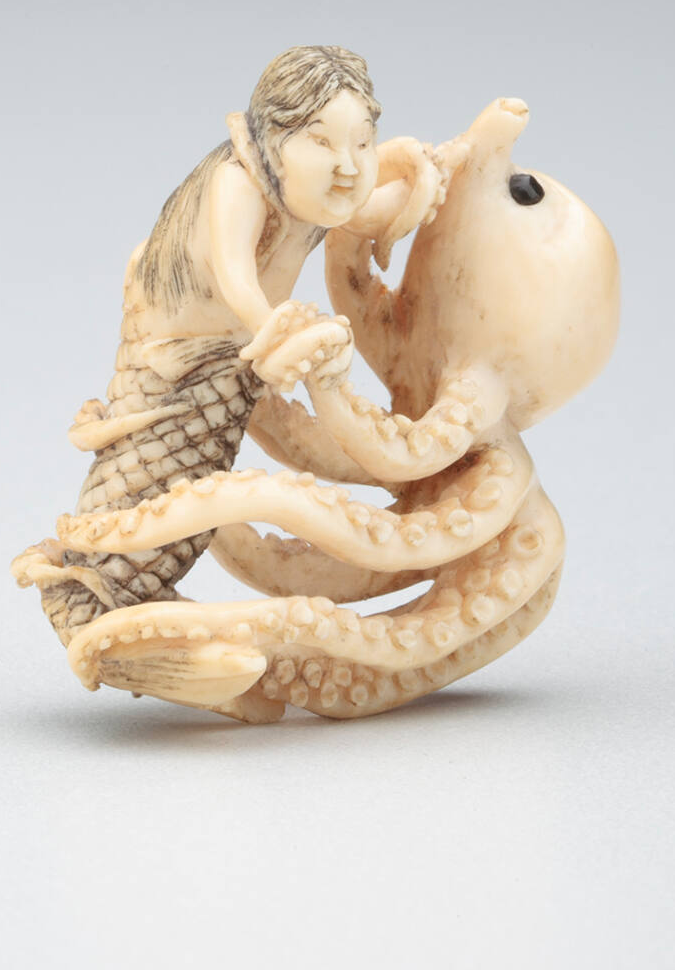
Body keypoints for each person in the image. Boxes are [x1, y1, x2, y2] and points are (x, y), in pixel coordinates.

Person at [34, 45, 436, 639]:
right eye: (321, 142)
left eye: (363, 143)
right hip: (177, 366)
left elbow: (372, 207)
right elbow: (235, 276)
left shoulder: (307, 195)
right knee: (151, 481)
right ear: (273, 137)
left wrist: (436, 175)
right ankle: (96, 596)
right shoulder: (237, 182)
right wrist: (279, 331)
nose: (349, 166)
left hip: (230, 375)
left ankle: (136, 600)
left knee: (195, 477)